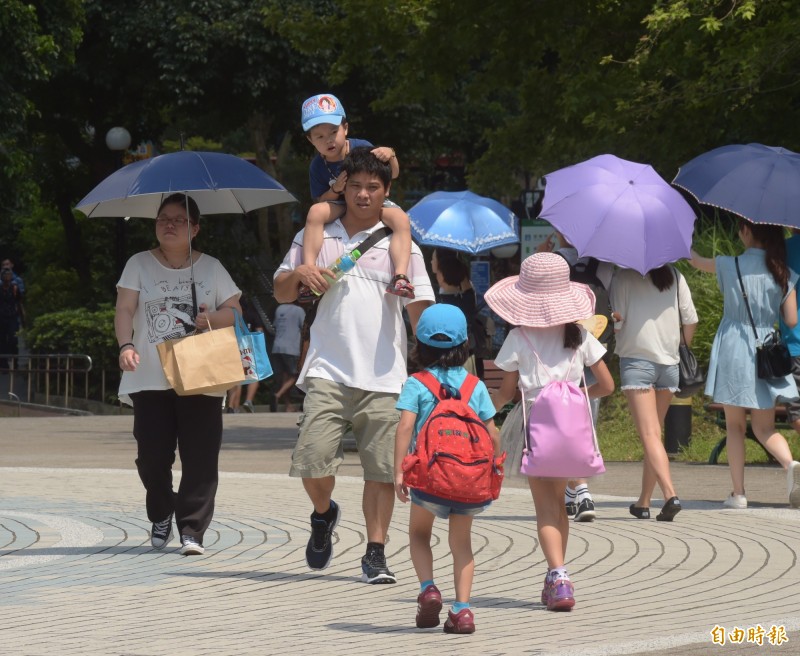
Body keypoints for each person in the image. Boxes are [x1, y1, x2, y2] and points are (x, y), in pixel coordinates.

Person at [273, 147, 435, 582]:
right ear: (345, 185)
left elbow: (421, 311)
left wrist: (439, 363)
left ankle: (375, 552)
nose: (364, 195)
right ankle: (324, 513)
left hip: (386, 375)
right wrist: (300, 275)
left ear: (386, 190)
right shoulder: (321, 232)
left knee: (382, 470)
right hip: (328, 367)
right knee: (313, 461)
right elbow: (282, 291)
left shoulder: (403, 243)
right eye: (357, 186)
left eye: (374, 187)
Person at [115, 193, 242, 555]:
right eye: (163, 219)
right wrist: (126, 345)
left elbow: (235, 314)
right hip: (149, 376)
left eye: (179, 220)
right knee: (152, 458)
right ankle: (161, 511)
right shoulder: (138, 263)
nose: (169, 225)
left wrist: (210, 319)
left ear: (195, 228)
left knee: (200, 457)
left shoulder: (212, 267)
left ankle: (192, 530)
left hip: (200, 375)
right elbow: (124, 309)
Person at [486, 253, 614, 611]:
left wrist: (481, 409)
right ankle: (555, 575)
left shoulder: (518, 336)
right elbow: (607, 384)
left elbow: (507, 393)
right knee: (560, 505)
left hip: (536, 431)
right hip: (573, 432)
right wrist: (576, 397)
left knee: (545, 509)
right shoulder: (579, 334)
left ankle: (559, 577)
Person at [394, 304, 501, 634]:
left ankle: (428, 588)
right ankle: (463, 610)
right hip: (469, 480)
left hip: (430, 478)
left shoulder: (416, 383)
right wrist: (494, 468)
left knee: (418, 534)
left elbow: (404, 427)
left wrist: (399, 471)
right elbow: (492, 432)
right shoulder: (475, 386)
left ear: (420, 344)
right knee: (462, 545)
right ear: (464, 344)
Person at [690, 219, 800, 508]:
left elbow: (696, 261)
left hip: (734, 349)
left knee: (735, 427)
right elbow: (791, 320)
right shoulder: (783, 272)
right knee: (765, 428)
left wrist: (680, 240)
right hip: (767, 351)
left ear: (748, 232)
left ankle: (738, 494)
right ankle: (791, 465)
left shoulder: (729, 264)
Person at [300, 93, 415, 299]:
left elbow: (392, 174)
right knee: (315, 212)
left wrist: (391, 154)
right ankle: (310, 272)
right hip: (340, 203)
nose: (329, 140)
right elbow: (321, 200)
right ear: (310, 140)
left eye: (334, 131)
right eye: (319, 136)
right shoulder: (317, 165)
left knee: (401, 219)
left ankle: (400, 277)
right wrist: (336, 189)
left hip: (370, 202)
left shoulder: (362, 147)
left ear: (345, 128)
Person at [609, 265, 698, 520]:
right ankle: (643, 502)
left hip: (637, 362)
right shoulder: (675, 275)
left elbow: (618, 322)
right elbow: (690, 320)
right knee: (654, 435)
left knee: (649, 434)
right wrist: (679, 346)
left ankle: (670, 495)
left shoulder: (623, 276)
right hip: (669, 365)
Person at [537, 231, 615, 522]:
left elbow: (534, 294)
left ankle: (580, 491)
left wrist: (539, 254)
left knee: (561, 430)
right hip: (590, 344)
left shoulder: (552, 262)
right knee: (582, 427)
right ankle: (575, 491)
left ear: (559, 233)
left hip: (554, 345)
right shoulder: (602, 265)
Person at [430, 248, 482, 376]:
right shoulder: (467, 299)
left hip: (447, 359)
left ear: (441, 275)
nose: (431, 262)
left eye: (433, 259)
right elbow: (467, 287)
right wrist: (457, 267)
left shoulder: (438, 302)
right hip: (468, 355)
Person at [226, 296, 264, 413]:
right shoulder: (251, 314)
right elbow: (259, 331)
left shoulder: (230, 314)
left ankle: (233, 406)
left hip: (232, 346)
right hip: (249, 349)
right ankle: (247, 401)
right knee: (253, 374)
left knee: (236, 377)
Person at [271, 301, 306, 411]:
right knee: (295, 375)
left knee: (285, 377)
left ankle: (288, 405)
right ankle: (278, 394)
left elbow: (275, 325)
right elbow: (305, 327)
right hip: (292, 348)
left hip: (278, 346)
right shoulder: (299, 310)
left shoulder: (279, 308)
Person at [0, 268, 24, 369]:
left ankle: (15, 362)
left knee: (13, 340)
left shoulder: (14, 288)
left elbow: (19, 302)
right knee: (2, 341)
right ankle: (3, 364)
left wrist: (23, 316)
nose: (7, 277)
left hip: (12, 316)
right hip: (1, 316)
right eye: (5, 275)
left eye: (9, 275)